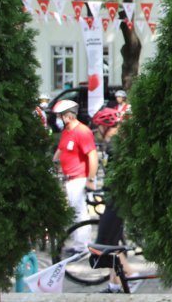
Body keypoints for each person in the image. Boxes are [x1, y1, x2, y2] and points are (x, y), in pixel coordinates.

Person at [90, 107, 141, 293]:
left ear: (105, 126)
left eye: (98, 127)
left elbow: (118, 176)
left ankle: (132, 276)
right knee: (114, 244)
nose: (97, 131)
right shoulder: (116, 144)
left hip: (117, 202)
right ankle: (115, 284)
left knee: (105, 244)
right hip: (116, 200)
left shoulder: (114, 146)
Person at [52, 100, 99, 252]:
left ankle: (82, 247)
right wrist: (52, 163)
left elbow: (93, 156)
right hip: (69, 178)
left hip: (80, 178)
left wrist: (90, 179)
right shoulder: (67, 131)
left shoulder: (82, 132)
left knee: (80, 212)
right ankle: (78, 244)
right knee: (74, 211)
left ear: (68, 116)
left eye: (60, 116)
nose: (58, 119)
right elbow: (60, 150)